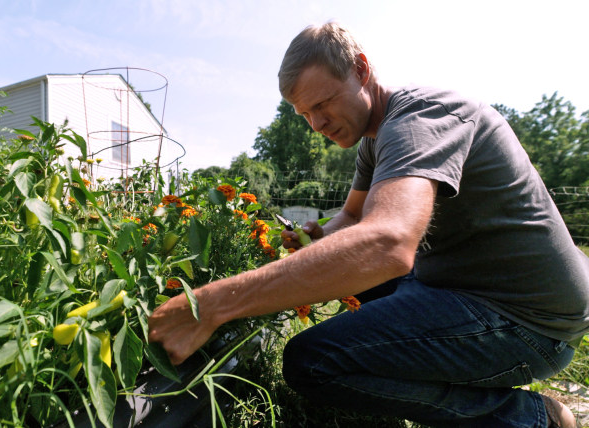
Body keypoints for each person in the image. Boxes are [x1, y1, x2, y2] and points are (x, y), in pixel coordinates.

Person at [148, 21, 589, 427]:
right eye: (305, 114)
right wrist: (315, 239)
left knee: (312, 361)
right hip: (462, 288)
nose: (316, 124)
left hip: (529, 322)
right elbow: (354, 218)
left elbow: (387, 243)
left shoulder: (421, 118)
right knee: (339, 268)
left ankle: (527, 417)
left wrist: (212, 303)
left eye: (322, 104)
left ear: (361, 70)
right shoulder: (374, 140)